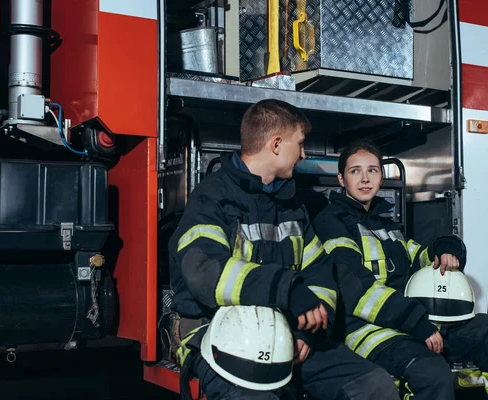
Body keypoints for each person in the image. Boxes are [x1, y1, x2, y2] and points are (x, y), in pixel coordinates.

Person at [167, 100, 400, 400]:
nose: (303, 154)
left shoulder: (292, 206)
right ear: (276, 145)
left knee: (374, 385)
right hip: (215, 334)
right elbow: (205, 273)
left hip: (283, 334)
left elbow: (321, 276)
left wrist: (307, 332)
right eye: (299, 144)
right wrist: (287, 289)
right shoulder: (212, 198)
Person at [312, 137, 488, 400]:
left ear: (381, 176)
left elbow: (420, 255)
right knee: (431, 372)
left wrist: (445, 249)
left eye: (372, 170)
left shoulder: (384, 224)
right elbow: (355, 286)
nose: (365, 179)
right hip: (368, 331)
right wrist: (417, 324)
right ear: (341, 180)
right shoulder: (331, 223)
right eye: (355, 171)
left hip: (413, 323)